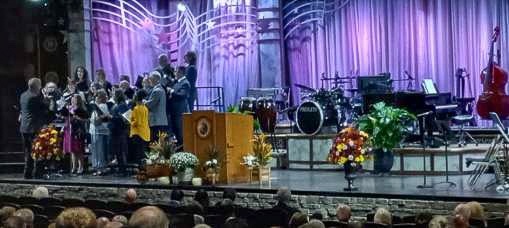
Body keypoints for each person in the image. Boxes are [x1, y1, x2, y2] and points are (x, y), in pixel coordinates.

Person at [19, 78, 48, 179]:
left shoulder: (23, 95)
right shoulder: (34, 98)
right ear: (36, 86)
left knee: (28, 152)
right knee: (37, 151)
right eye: (40, 85)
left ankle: (27, 174)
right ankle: (38, 174)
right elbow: (44, 109)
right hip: (33, 128)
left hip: (24, 128)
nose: (41, 87)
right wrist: (45, 97)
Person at [62, 94, 89, 175]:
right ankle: (74, 167)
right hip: (70, 130)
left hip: (78, 131)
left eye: (75, 99)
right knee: (72, 150)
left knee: (79, 150)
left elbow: (86, 119)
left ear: (78, 100)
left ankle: (81, 167)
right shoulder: (69, 108)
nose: (73, 100)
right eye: (72, 99)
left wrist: (77, 118)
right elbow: (66, 117)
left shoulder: (81, 109)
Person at [90, 89, 112, 176]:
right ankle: (97, 167)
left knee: (100, 150)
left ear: (100, 97)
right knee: (96, 150)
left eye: (97, 96)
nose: (95, 98)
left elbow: (100, 119)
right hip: (95, 130)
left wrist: (95, 120)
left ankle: (101, 168)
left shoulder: (102, 106)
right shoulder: (98, 106)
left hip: (100, 131)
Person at [168, 66, 191, 145]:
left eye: (176, 72)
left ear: (181, 73)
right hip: (174, 112)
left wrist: (171, 91)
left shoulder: (185, 83)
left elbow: (182, 95)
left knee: (181, 133)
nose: (175, 73)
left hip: (180, 112)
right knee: (176, 132)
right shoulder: (177, 82)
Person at [110, 89, 129, 175]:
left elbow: (127, 119)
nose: (112, 95)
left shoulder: (122, 105)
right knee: (117, 151)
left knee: (121, 151)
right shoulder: (116, 105)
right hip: (115, 130)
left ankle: (123, 170)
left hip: (121, 130)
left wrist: (111, 117)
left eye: (113, 94)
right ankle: (120, 168)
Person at [144, 71, 167, 142]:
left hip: (156, 121)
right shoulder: (158, 89)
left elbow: (150, 104)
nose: (149, 80)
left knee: (155, 143)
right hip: (158, 121)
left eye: (151, 78)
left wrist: (143, 101)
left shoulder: (157, 90)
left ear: (156, 79)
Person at [130, 91, 150, 165]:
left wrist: (130, 121)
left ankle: (141, 171)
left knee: (139, 153)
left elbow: (136, 122)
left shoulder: (136, 109)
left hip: (138, 133)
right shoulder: (145, 108)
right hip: (145, 132)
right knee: (143, 152)